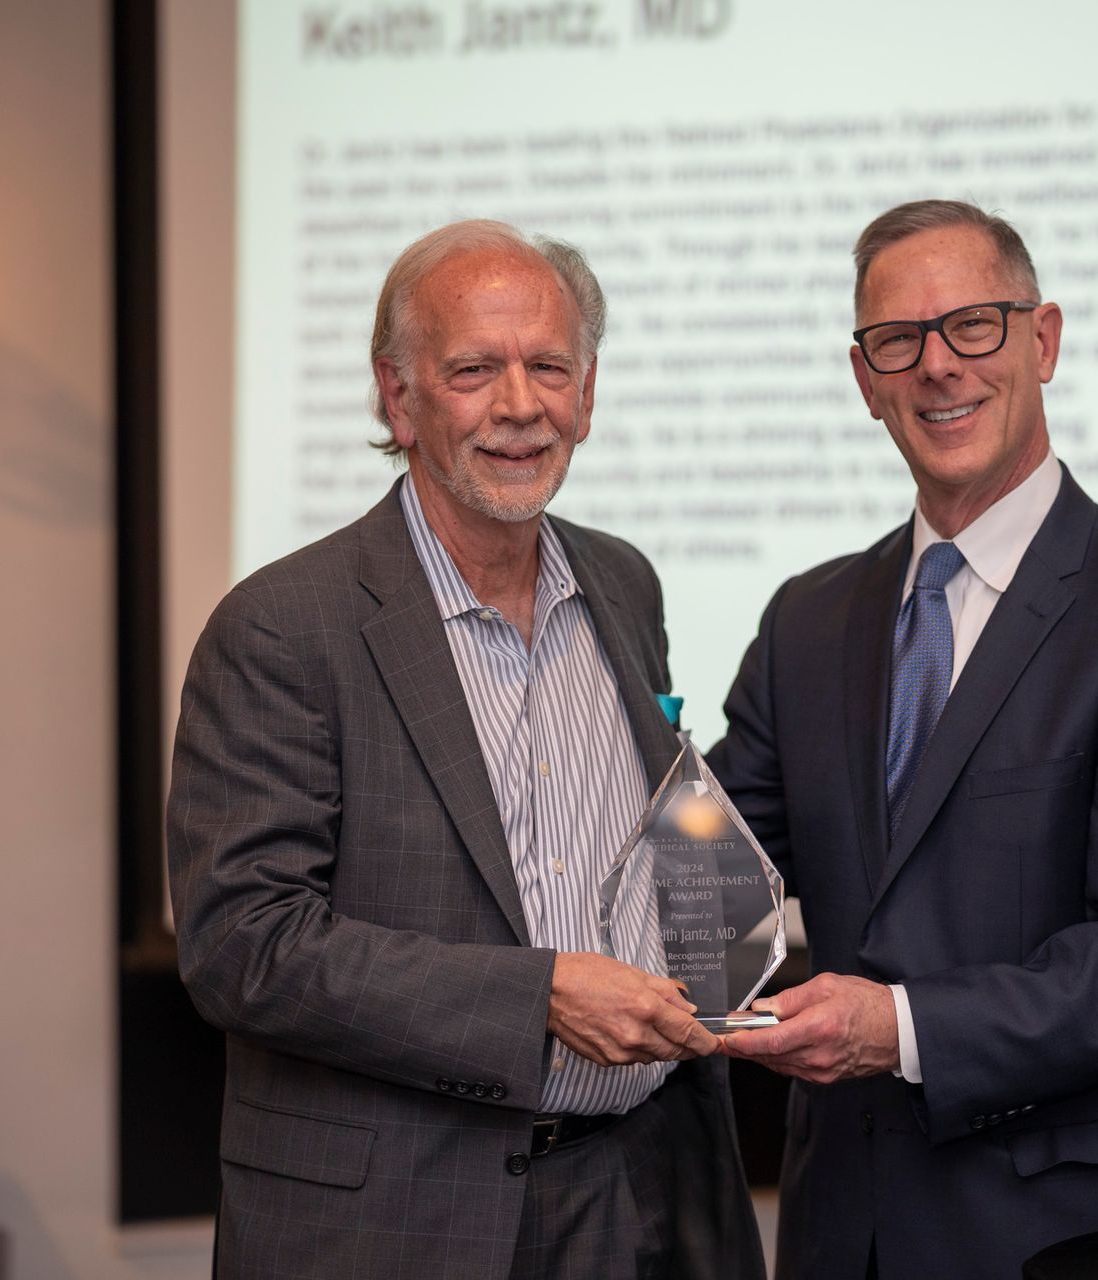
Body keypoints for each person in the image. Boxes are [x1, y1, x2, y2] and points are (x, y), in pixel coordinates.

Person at [167, 220, 762, 1280]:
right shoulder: (283, 626)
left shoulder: (624, 585)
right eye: (474, 370)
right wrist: (539, 995)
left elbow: (661, 840)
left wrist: (732, 955)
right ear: (399, 398)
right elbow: (243, 943)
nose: (521, 405)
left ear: (588, 391)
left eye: (550, 366)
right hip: (396, 1220)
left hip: (638, 1197)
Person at [708, 200, 1098, 1278]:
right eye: (898, 341)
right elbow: (712, 879)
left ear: (1044, 339)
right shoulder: (805, 620)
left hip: (1072, 1240)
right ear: (866, 377)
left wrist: (904, 1025)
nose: (937, 366)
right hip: (839, 1230)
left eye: (972, 325)